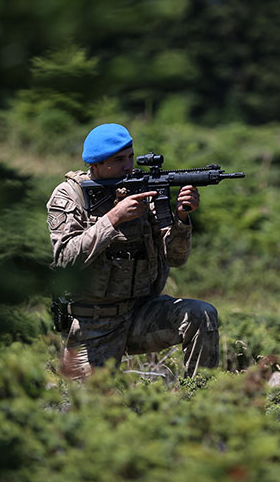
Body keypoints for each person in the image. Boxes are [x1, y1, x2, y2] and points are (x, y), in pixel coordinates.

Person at [46, 123, 219, 379]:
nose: (128, 166)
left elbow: (175, 258)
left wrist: (181, 219)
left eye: (130, 157)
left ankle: (202, 403)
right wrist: (113, 218)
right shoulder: (71, 196)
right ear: (96, 164)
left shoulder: (141, 189)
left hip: (142, 314)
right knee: (87, 410)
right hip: (93, 323)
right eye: (118, 160)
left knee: (201, 314)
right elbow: (65, 259)